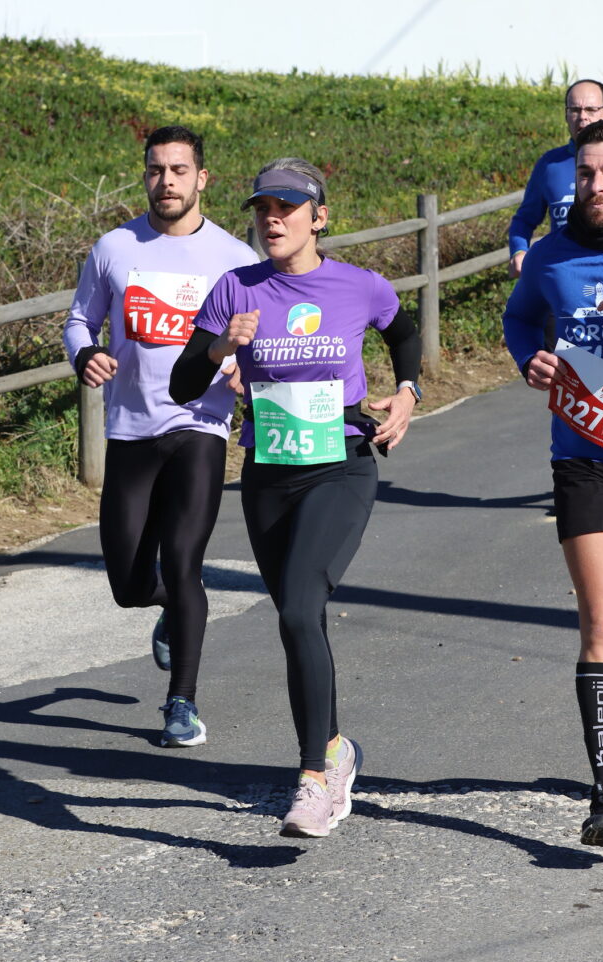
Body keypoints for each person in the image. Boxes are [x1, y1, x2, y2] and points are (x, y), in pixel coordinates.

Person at [169, 158, 422, 838]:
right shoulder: (234, 289)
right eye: (262, 207)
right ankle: (336, 750)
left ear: (319, 217)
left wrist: (406, 393)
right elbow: (181, 383)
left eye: (287, 206)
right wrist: (221, 343)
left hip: (340, 466)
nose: (271, 218)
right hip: (267, 473)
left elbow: (403, 332)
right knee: (295, 620)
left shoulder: (358, 286)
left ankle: (313, 778)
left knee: (301, 609)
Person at [63, 125, 258, 748]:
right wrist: (85, 354)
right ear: (144, 175)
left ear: (202, 178)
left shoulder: (235, 259)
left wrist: (241, 370)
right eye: (155, 170)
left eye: (179, 170)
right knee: (127, 585)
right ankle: (171, 608)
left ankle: (182, 703)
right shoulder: (115, 248)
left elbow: (262, 337)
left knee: (183, 561)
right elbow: (78, 320)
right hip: (130, 429)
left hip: (200, 425)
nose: (166, 181)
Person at [503, 118, 603, 847]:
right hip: (587, 454)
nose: (595, 185)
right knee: (601, 624)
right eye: (585, 173)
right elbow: (519, 321)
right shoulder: (549, 256)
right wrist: (533, 362)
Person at [508, 80, 603, 279]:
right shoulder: (549, 165)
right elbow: (524, 220)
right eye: (574, 109)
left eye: (591, 109)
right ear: (566, 114)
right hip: (562, 281)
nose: (582, 117)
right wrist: (519, 251)